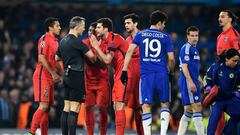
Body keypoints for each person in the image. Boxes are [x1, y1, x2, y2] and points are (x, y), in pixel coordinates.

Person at [121, 10, 175, 135]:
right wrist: (171, 72)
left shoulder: (140, 35)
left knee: (146, 106)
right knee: (165, 104)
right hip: (162, 74)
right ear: (159, 23)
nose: (164, 26)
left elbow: (129, 52)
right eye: (164, 23)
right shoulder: (166, 37)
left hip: (146, 75)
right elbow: (171, 59)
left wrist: (124, 69)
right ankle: (163, 133)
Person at [55, 16, 95, 135]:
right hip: (77, 76)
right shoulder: (77, 42)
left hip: (67, 76)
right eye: (83, 26)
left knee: (66, 107)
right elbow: (92, 57)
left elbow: (57, 58)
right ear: (77, 27)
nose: (84, 29)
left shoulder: (62, 41)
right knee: (75, 108)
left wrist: (65, 65)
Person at [90, 17, 129, 135]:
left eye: (98, 27)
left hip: (126, 72)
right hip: (118, 74)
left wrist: (96, 47)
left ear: (106, 29)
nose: (96, 29)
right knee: (116, 106)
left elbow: (107, 60)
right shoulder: (106, 41)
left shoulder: (114, 38)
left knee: (120, 105)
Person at [28, 17, 61, 135]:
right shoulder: (44, 38)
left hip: (50, 77)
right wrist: (53, 74)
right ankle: (31, 133)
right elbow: (41, 58)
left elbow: (56, 61)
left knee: (46, 108)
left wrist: (61, 74)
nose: (59, 28)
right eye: (57, 25)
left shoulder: (56, 41)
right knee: (43, 106)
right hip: (43, 75)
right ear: (50, 27)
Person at [203, 48, 240, 135]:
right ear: (227, 58)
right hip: (217, 98)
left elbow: (239, 83)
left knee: (238, 114)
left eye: (237, 61)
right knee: (214, 120)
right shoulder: (216, 66)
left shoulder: (238, 69)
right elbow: (206, 78)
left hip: (230, 98)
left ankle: (225, 133)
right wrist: (208, 87)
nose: (236, 63)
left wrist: (238, 91)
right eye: (234, 61)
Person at [82, 22, 110, 135]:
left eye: (92, 31)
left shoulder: (105, 44)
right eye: (88, 30)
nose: (90, 33)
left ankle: (103, 132)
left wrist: (96, 47)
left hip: (102, 80)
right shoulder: (84, 43)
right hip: (88, 81)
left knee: (102, 108)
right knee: (88, 107)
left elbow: (104, 64)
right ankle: (90, 133)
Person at [215, 9, 240, 134]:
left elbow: (238, 56)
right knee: (218, 109)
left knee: (233, 110)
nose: (220, 18)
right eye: (219, 16)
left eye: (223, 16)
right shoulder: (220, 36)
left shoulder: (234, 35)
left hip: (230, 78)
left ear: (230, 19)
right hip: (220, 76)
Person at [177, 26, 205, 135]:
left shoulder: (194, 49)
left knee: (188, 110)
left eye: (196, 35)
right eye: (192, 35)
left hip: (191, 80)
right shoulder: (187, 48)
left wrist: (199, 80)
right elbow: (184, 67)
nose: (195, 38)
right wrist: (191, 82)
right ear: (187, 36)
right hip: (188, 82)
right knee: (197, 107)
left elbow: (193, 69)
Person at [123, 13, 144, 135]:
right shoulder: (127, 40)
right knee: (134, 108)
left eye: (129, 23)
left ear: (136, 23)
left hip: (142, 78)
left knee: (142, 108)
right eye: (125, 23)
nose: (126, 25)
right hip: (131, 78)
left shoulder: (143, 38)